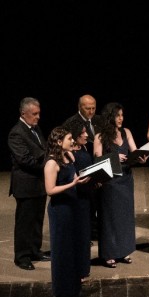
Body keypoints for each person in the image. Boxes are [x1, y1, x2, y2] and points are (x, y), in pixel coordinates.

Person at [94, 102, 148, 267]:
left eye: (122, 115)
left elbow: (135, 150)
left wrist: (141, 158)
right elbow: (96, 159)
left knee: (124, 217)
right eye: (117, 115)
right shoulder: (100, 136)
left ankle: (123, 251)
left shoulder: (126, 132)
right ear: (110, 116)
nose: (121, 119)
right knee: (110, 218)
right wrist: (114, 158)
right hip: (110, 181)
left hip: (125, 179)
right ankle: (109, 253)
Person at [43, 126, 91, 297]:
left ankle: (73, 288)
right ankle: (63, 292)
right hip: (60, 210)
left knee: (73, 247)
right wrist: (73, 184)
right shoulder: (51, 163)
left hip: (73, 206)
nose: (72, 141)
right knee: (62, 250)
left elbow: (74, 176)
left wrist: (82, 179)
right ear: (58, 142)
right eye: (69, 139)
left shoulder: (69, 156)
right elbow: (50, 189)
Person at [8, 97, 50, 271]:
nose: (38, 117)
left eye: (39, 113)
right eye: (34, 114)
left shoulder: (35, 128)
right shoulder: (16, 133)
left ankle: (34, 250)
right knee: (25, 222)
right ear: (23, 113)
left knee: (37, 219)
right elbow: (25, 160)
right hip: (25, 185)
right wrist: (47, 165)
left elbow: (43, 149)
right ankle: (22, 256)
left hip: (39, 183)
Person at [64, 94, 101, 240]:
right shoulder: (71, 123)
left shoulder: (98, 120)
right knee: (82, 203)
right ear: (80, 107)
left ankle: (92, 229)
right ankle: (84, 231)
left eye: (93, 108)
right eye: (88, 108)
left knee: (93, 202)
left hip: (93, 164)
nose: (91, 111)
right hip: (79, 165)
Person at [63, 119, 94, 279]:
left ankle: (84, 268)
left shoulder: (84, 147)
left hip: (86, 195)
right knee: (77, 233)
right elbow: (70, 175)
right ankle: (76, 269)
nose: (87, 135)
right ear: (75, 136)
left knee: (85, 234)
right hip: (76, 196)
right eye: (83, 133)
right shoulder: (69, 153)